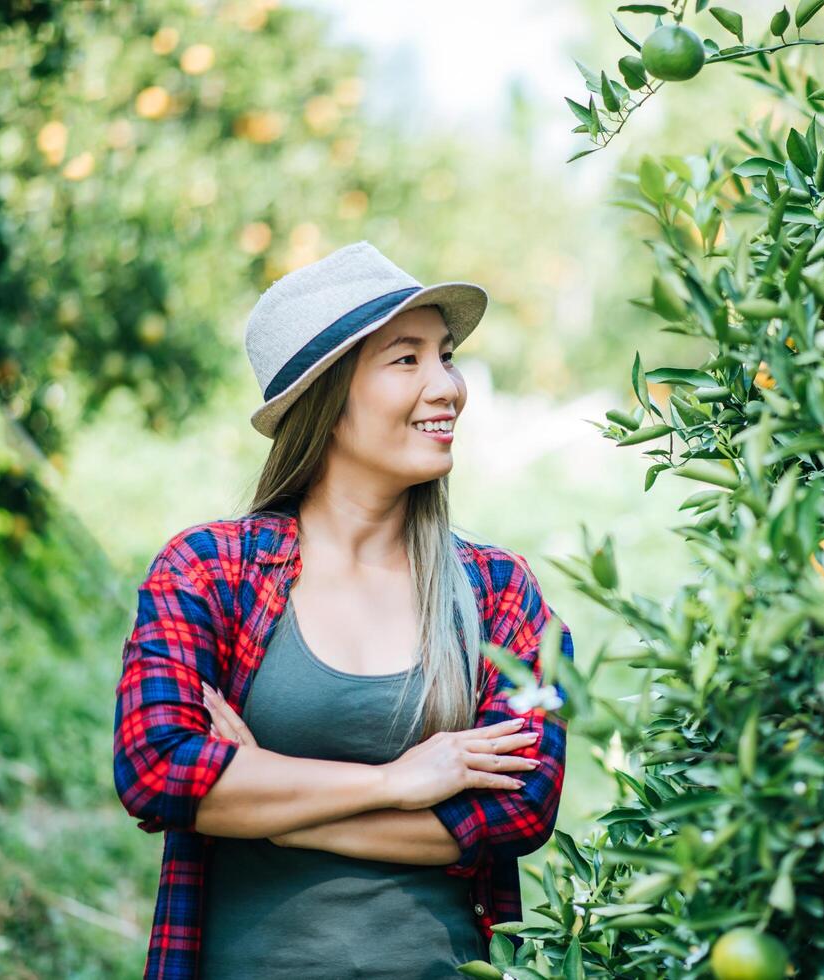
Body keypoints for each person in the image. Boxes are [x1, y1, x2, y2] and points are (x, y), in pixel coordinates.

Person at [111, 241, 574, 979]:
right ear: (327, 399)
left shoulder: (499, 591)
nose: (447, 386)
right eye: (406, 359)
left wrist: (266, 798)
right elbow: (157, 770)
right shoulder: (209, 571)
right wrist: (398, 782)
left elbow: (517, 812)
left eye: (445, 355)